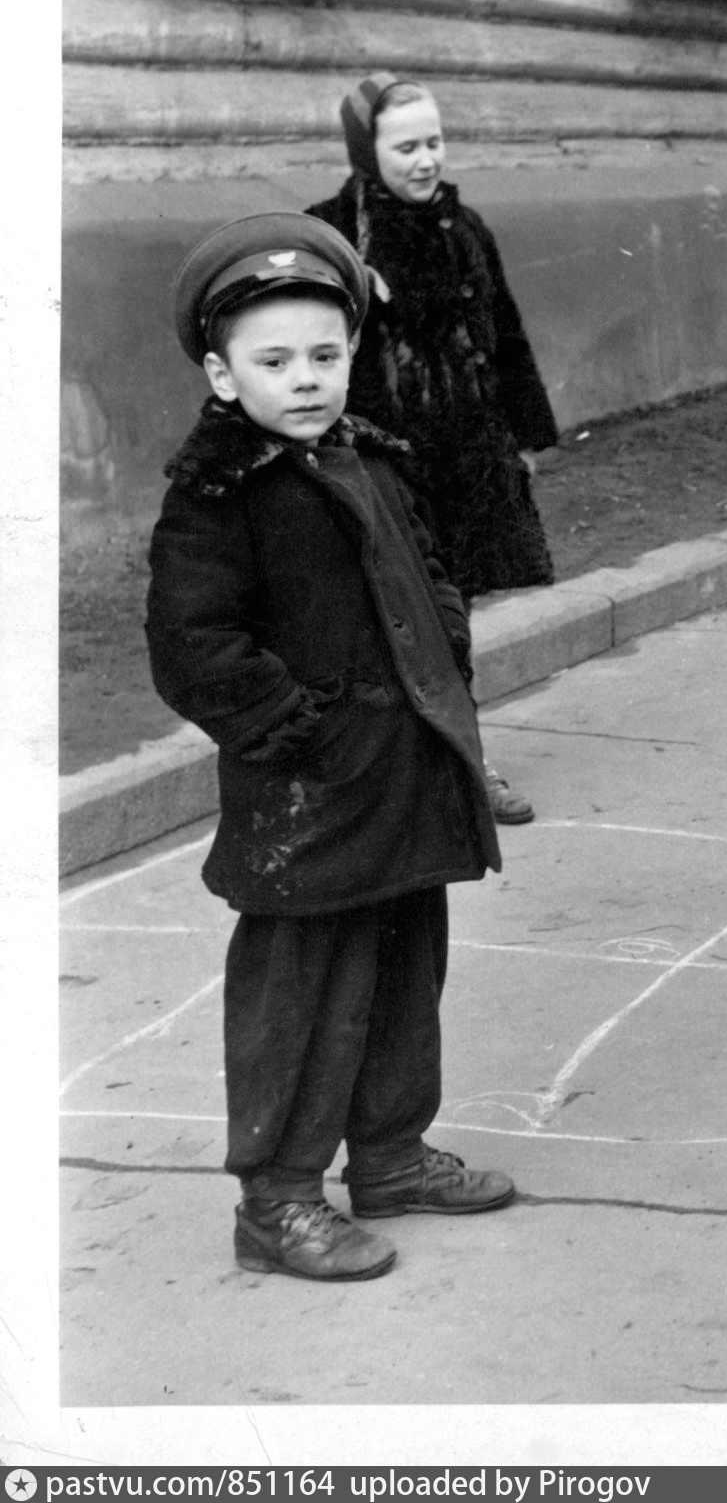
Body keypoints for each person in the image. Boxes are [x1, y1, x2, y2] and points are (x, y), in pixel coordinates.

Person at [146, 213, 516, 1282]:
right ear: (221, 374)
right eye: (273, 361)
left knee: (405, 967)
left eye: (324, 354)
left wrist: (443, 666)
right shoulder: (218, 493)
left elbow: (429, 579)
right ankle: (279, 1196)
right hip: (309, 795)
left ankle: (391, 1153)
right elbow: (193, 643)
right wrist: (297, 734)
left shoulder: (375, 461)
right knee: (304, 992)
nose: (304, 378)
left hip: (403, 776)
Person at [307, 72, 557, 825]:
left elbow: (505, 334)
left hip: (467, 457)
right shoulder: (331, 232)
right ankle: (377, 770)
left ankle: (463, 766)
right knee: (376, 618)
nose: (425, 160)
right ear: (367, 150)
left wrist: (525, 435)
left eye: (435, 142)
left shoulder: (466, 228)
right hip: (381, 463)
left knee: (450, 616)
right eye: (406, 146)